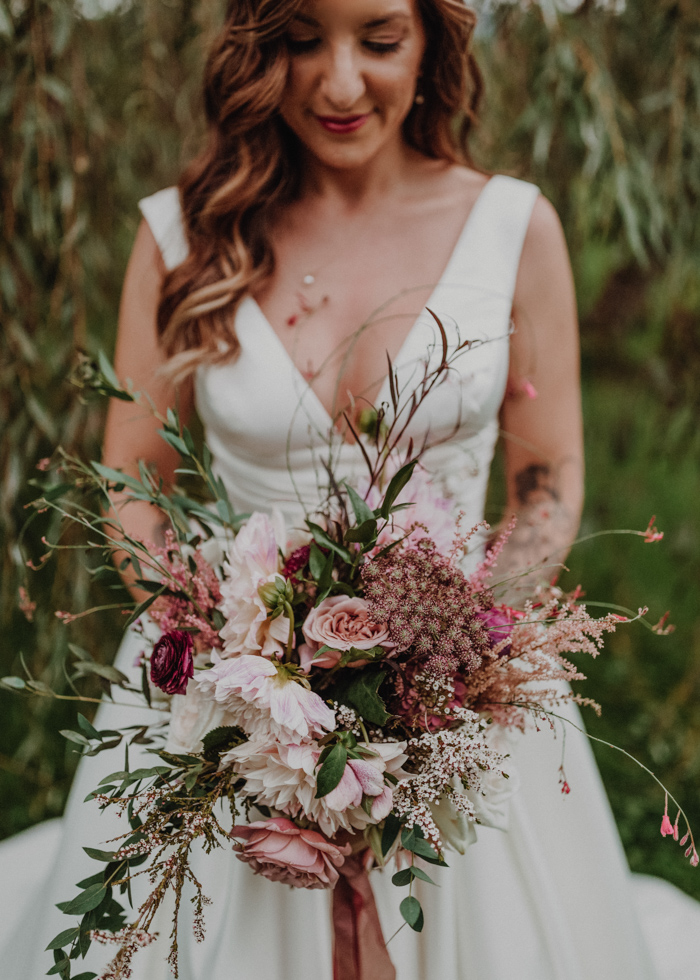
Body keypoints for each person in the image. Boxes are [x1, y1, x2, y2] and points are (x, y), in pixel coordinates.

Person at [1, 0, 699, 977]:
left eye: (377, 39)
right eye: (297, 41)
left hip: (461, 701)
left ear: (432, 40)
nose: (336, 84)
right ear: (255, 49)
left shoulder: (510, 227)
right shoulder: (183, 236)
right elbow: (132, 480)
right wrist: (216, 644)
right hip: (228, 696)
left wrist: (464, 641)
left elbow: (547, 479)